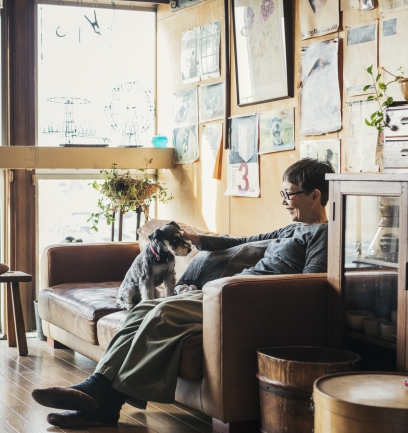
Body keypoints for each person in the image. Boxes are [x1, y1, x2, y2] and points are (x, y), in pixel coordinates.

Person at [31, 158, 335, 428]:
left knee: (164, 311)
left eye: (289, 194)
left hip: (246, 300)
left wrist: (244, 287)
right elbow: (242, 240)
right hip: (229, 292)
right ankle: (101, 398)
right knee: (142, 310)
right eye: (282, 194)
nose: (283, 201)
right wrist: (197, 238)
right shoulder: (289, 230)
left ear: (315, 195)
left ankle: (98, 396)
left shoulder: (323, 233)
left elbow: (309, 285)